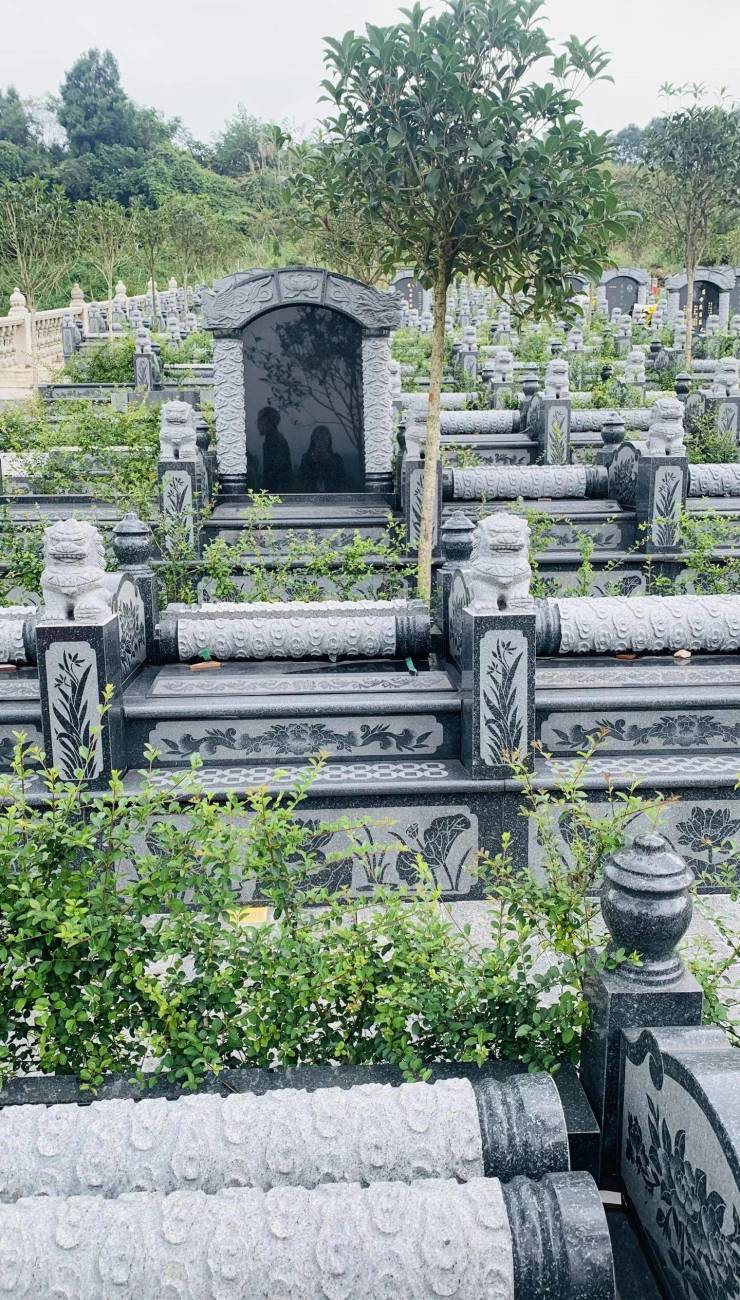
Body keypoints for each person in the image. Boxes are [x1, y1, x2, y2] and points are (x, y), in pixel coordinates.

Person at [299, 425, 346, 492]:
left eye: (323, 439)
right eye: (318, 439)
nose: (320, 443)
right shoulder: (306, 459)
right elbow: (303, 483)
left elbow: (341, 483)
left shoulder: (337, 460)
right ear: (313, 440)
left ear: (329, 441)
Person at [257, 406, 293, 491]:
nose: (257, 425)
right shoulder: (272, 439)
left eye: (259, 420)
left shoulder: (274, 441)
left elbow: (275, 471)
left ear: (268, 422)